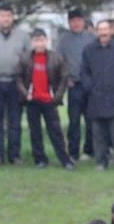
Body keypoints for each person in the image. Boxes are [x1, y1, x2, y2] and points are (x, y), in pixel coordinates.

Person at [79, 19, 114, 170]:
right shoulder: (88, 50)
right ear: (97, 31)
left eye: (105, 29)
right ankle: (101, 161)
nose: (103, 33)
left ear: (111, 31)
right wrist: (89, 87)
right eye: (100, 29)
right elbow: (84, 72)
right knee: (98, 133)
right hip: (96, 97)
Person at [16, 29, 74, 169]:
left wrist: (57, 96)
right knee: (35, 132)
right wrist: (25, 94)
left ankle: (65, 160)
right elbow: (18, 78)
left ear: (46, 41)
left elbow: (64, 78)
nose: (39, 43)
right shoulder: (25, 58)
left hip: (49, 101)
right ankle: (40, 160)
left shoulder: (56, 57)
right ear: (32, 42)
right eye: (36, 40)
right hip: (32, 100)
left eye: (41, 39)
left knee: (56, 131)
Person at [59, 11, 96, 162]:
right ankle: (73, 152)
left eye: (79, 20)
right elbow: (59, 62)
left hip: (91, 84)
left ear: (83, 21)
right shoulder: (64, 40)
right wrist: (65, 79)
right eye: (73, 20)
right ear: (69, 23)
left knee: (91, 119)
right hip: (74, 85)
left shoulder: (92, 38)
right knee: (74, 120)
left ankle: (90, 150)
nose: (76, 23)